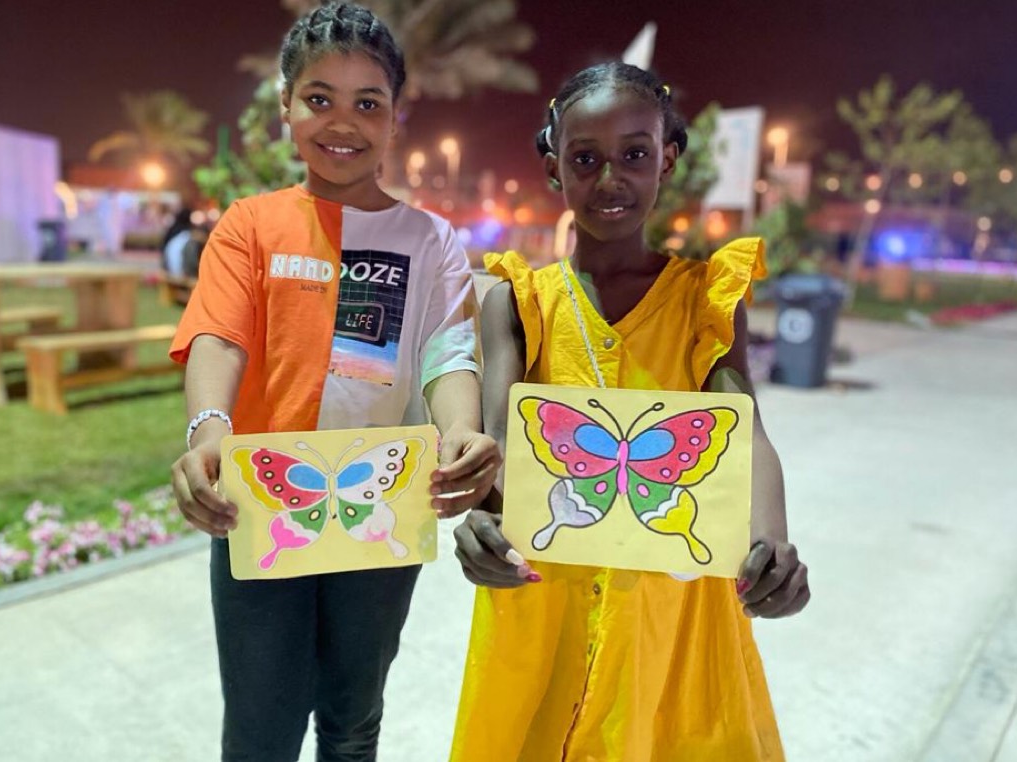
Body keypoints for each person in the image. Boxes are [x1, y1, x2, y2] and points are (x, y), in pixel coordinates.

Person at [450, 62, 811, 761]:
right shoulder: (519, 302)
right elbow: (503, 447)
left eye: (634, 155)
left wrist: (773, 544)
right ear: (554, 167)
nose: (610, 178)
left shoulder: (704, 300)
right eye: (585, 158)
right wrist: (482, 527)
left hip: (669, 608)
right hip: (544, 597)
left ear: (666, 160)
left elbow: (745, 432)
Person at [167, 4, 499, 761]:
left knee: (353, 722)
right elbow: (219, 335)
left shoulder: (431, 240)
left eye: (368, 102)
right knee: (260, 731)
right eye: (320, 98)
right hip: (261, 501)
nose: (343, 122)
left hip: (382, 502)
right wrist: (208, 431)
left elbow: (449, 355)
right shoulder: (249, 226)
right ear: (286, 104)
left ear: (395, 117)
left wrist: (460, 432)